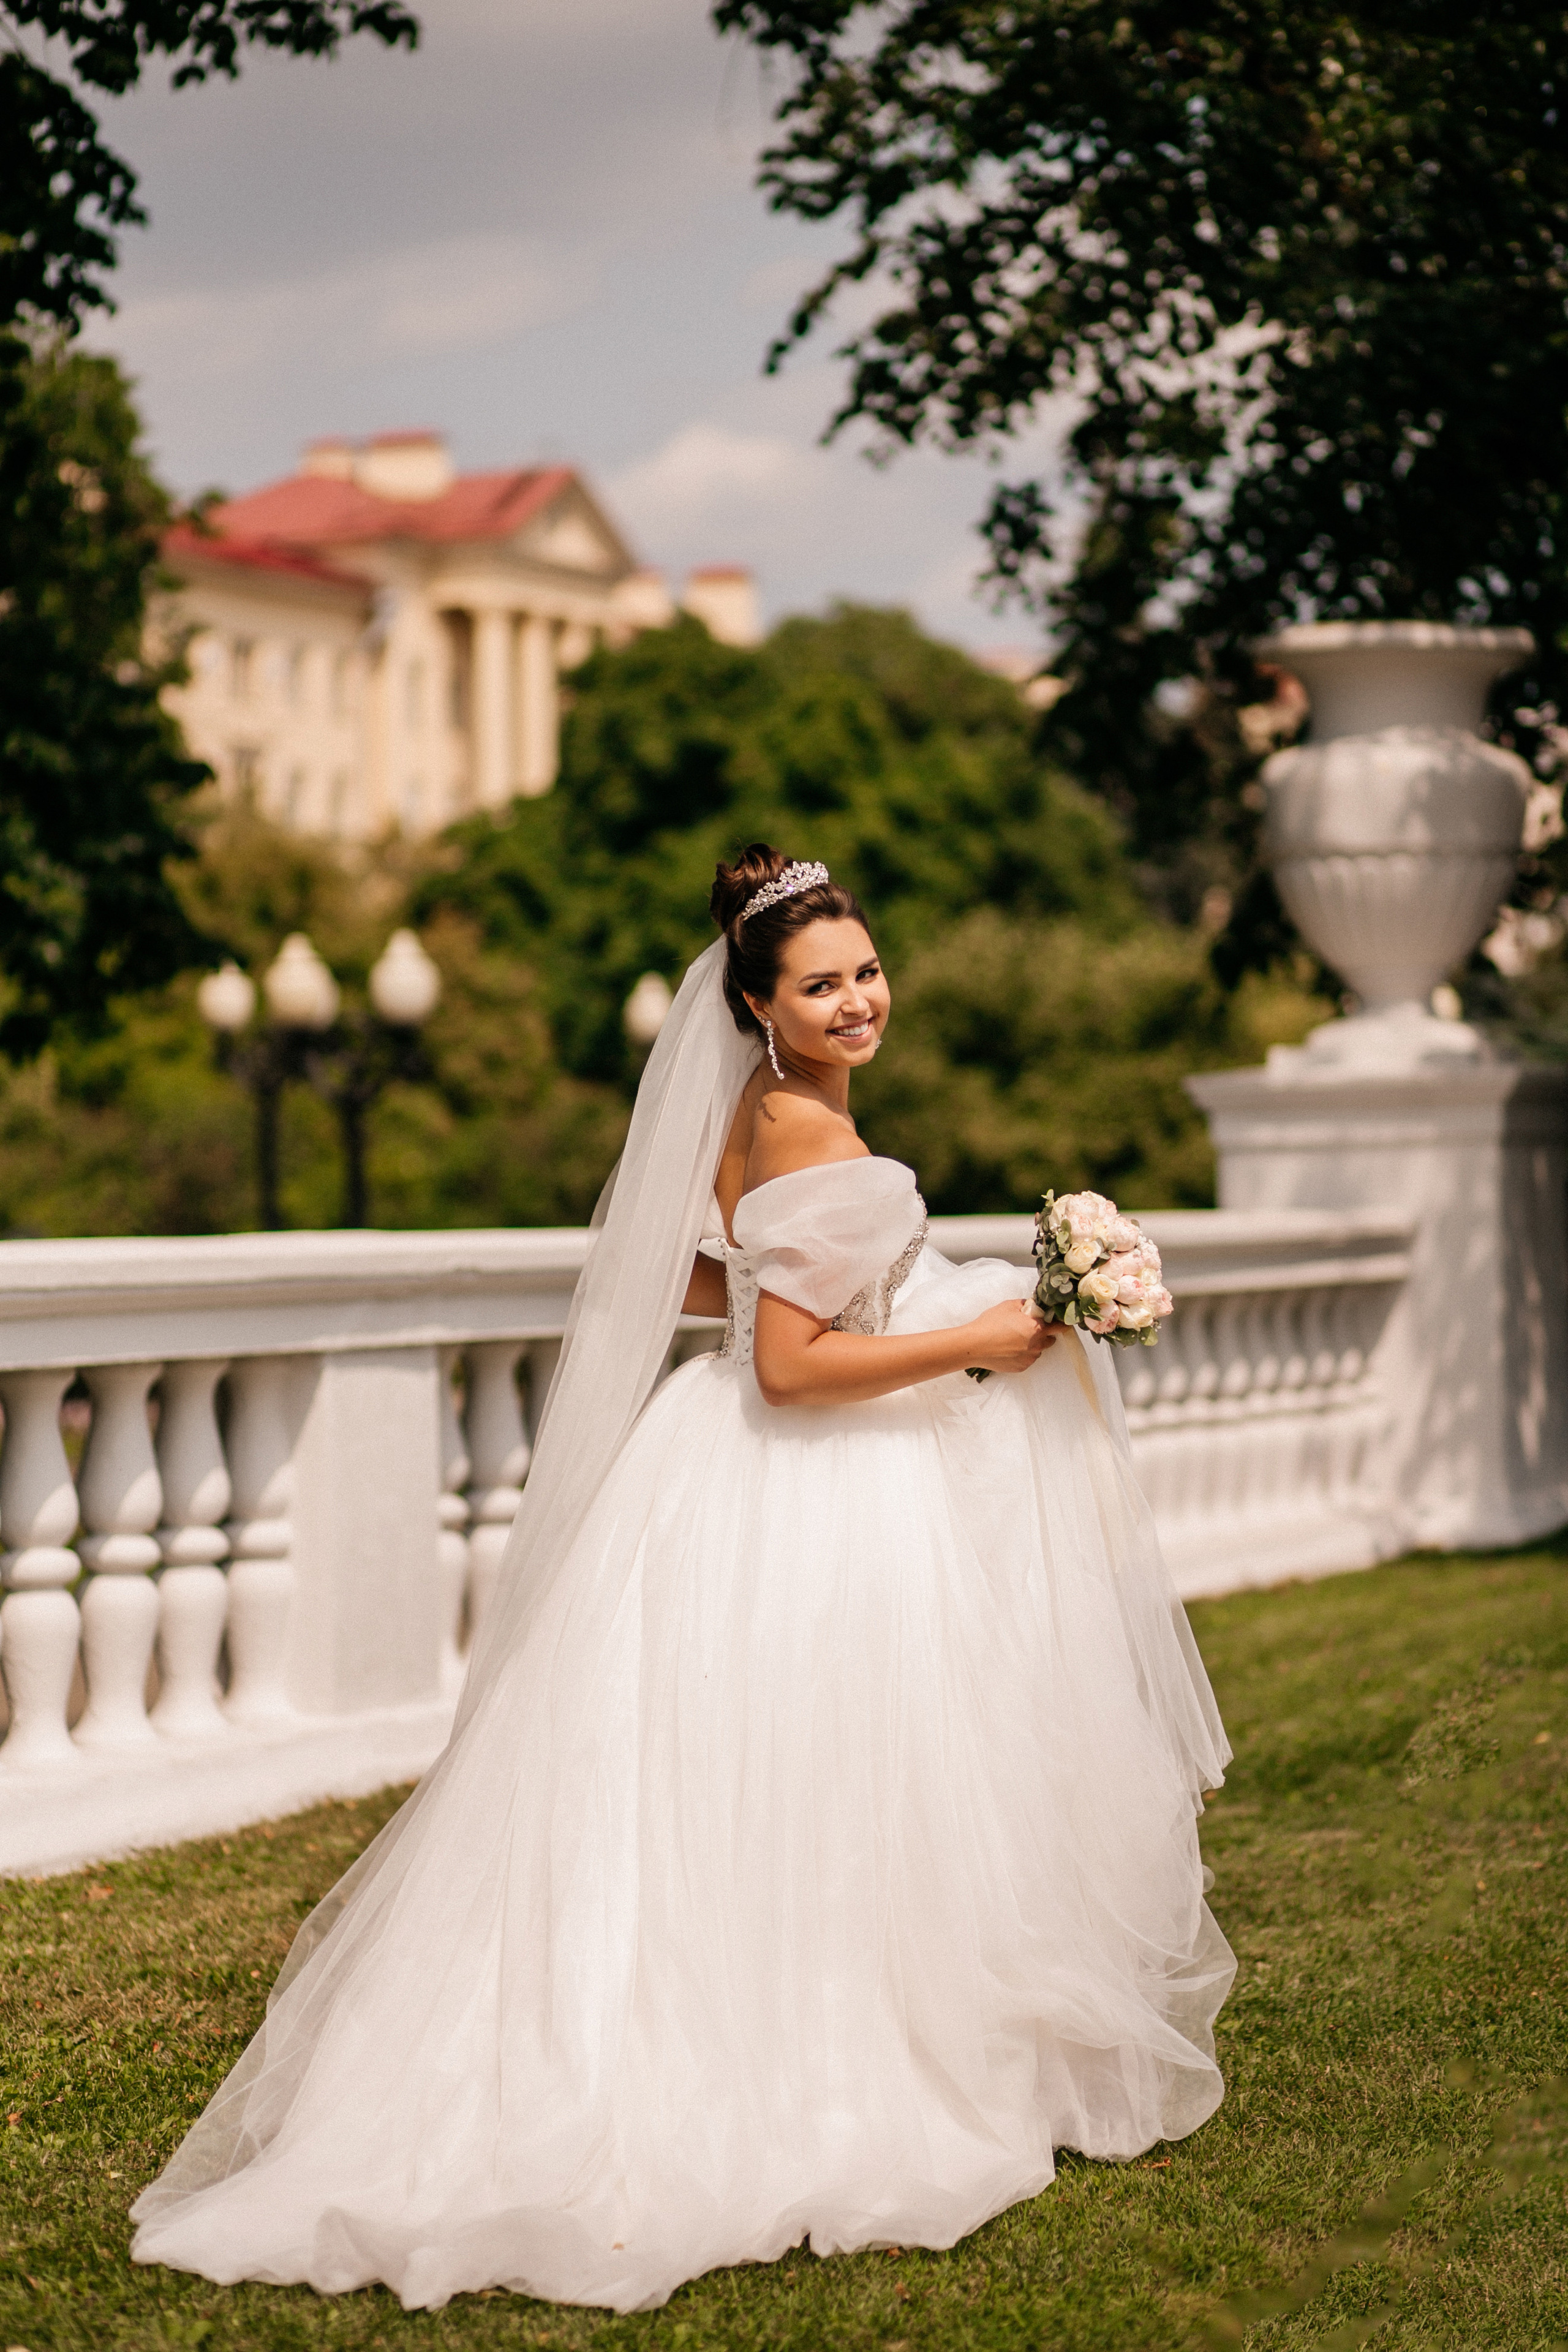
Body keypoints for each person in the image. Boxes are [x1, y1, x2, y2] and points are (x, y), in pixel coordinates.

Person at [131, 849, 1234, 2315]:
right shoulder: (815, 1137)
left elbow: (705, 1280)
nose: (857, 1001)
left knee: (699, 1775)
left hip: (702, 1471)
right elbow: (788, 1371)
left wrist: (881, 1292)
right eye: (821, 986)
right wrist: (976, 1341)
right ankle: (816, 2068)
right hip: (807, 1479)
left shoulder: (748, 1113)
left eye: (865, 972)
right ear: (759, 1005)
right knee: (830, 1775)